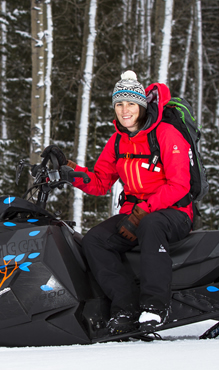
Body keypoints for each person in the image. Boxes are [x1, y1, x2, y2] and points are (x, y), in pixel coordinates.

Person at [42, 71, 192, 334]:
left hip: (174, 212)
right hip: (135, 213)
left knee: (151, 225)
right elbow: (100, 181)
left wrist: (142, 212)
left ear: (142, 106)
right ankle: (125, 308)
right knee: (94, 240)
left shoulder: (166, 135)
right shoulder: (118, 140)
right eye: (120, 104)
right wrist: (68, 169)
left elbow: (180, 185)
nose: (125, 110)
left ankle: (155, 307)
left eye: (131, 104)